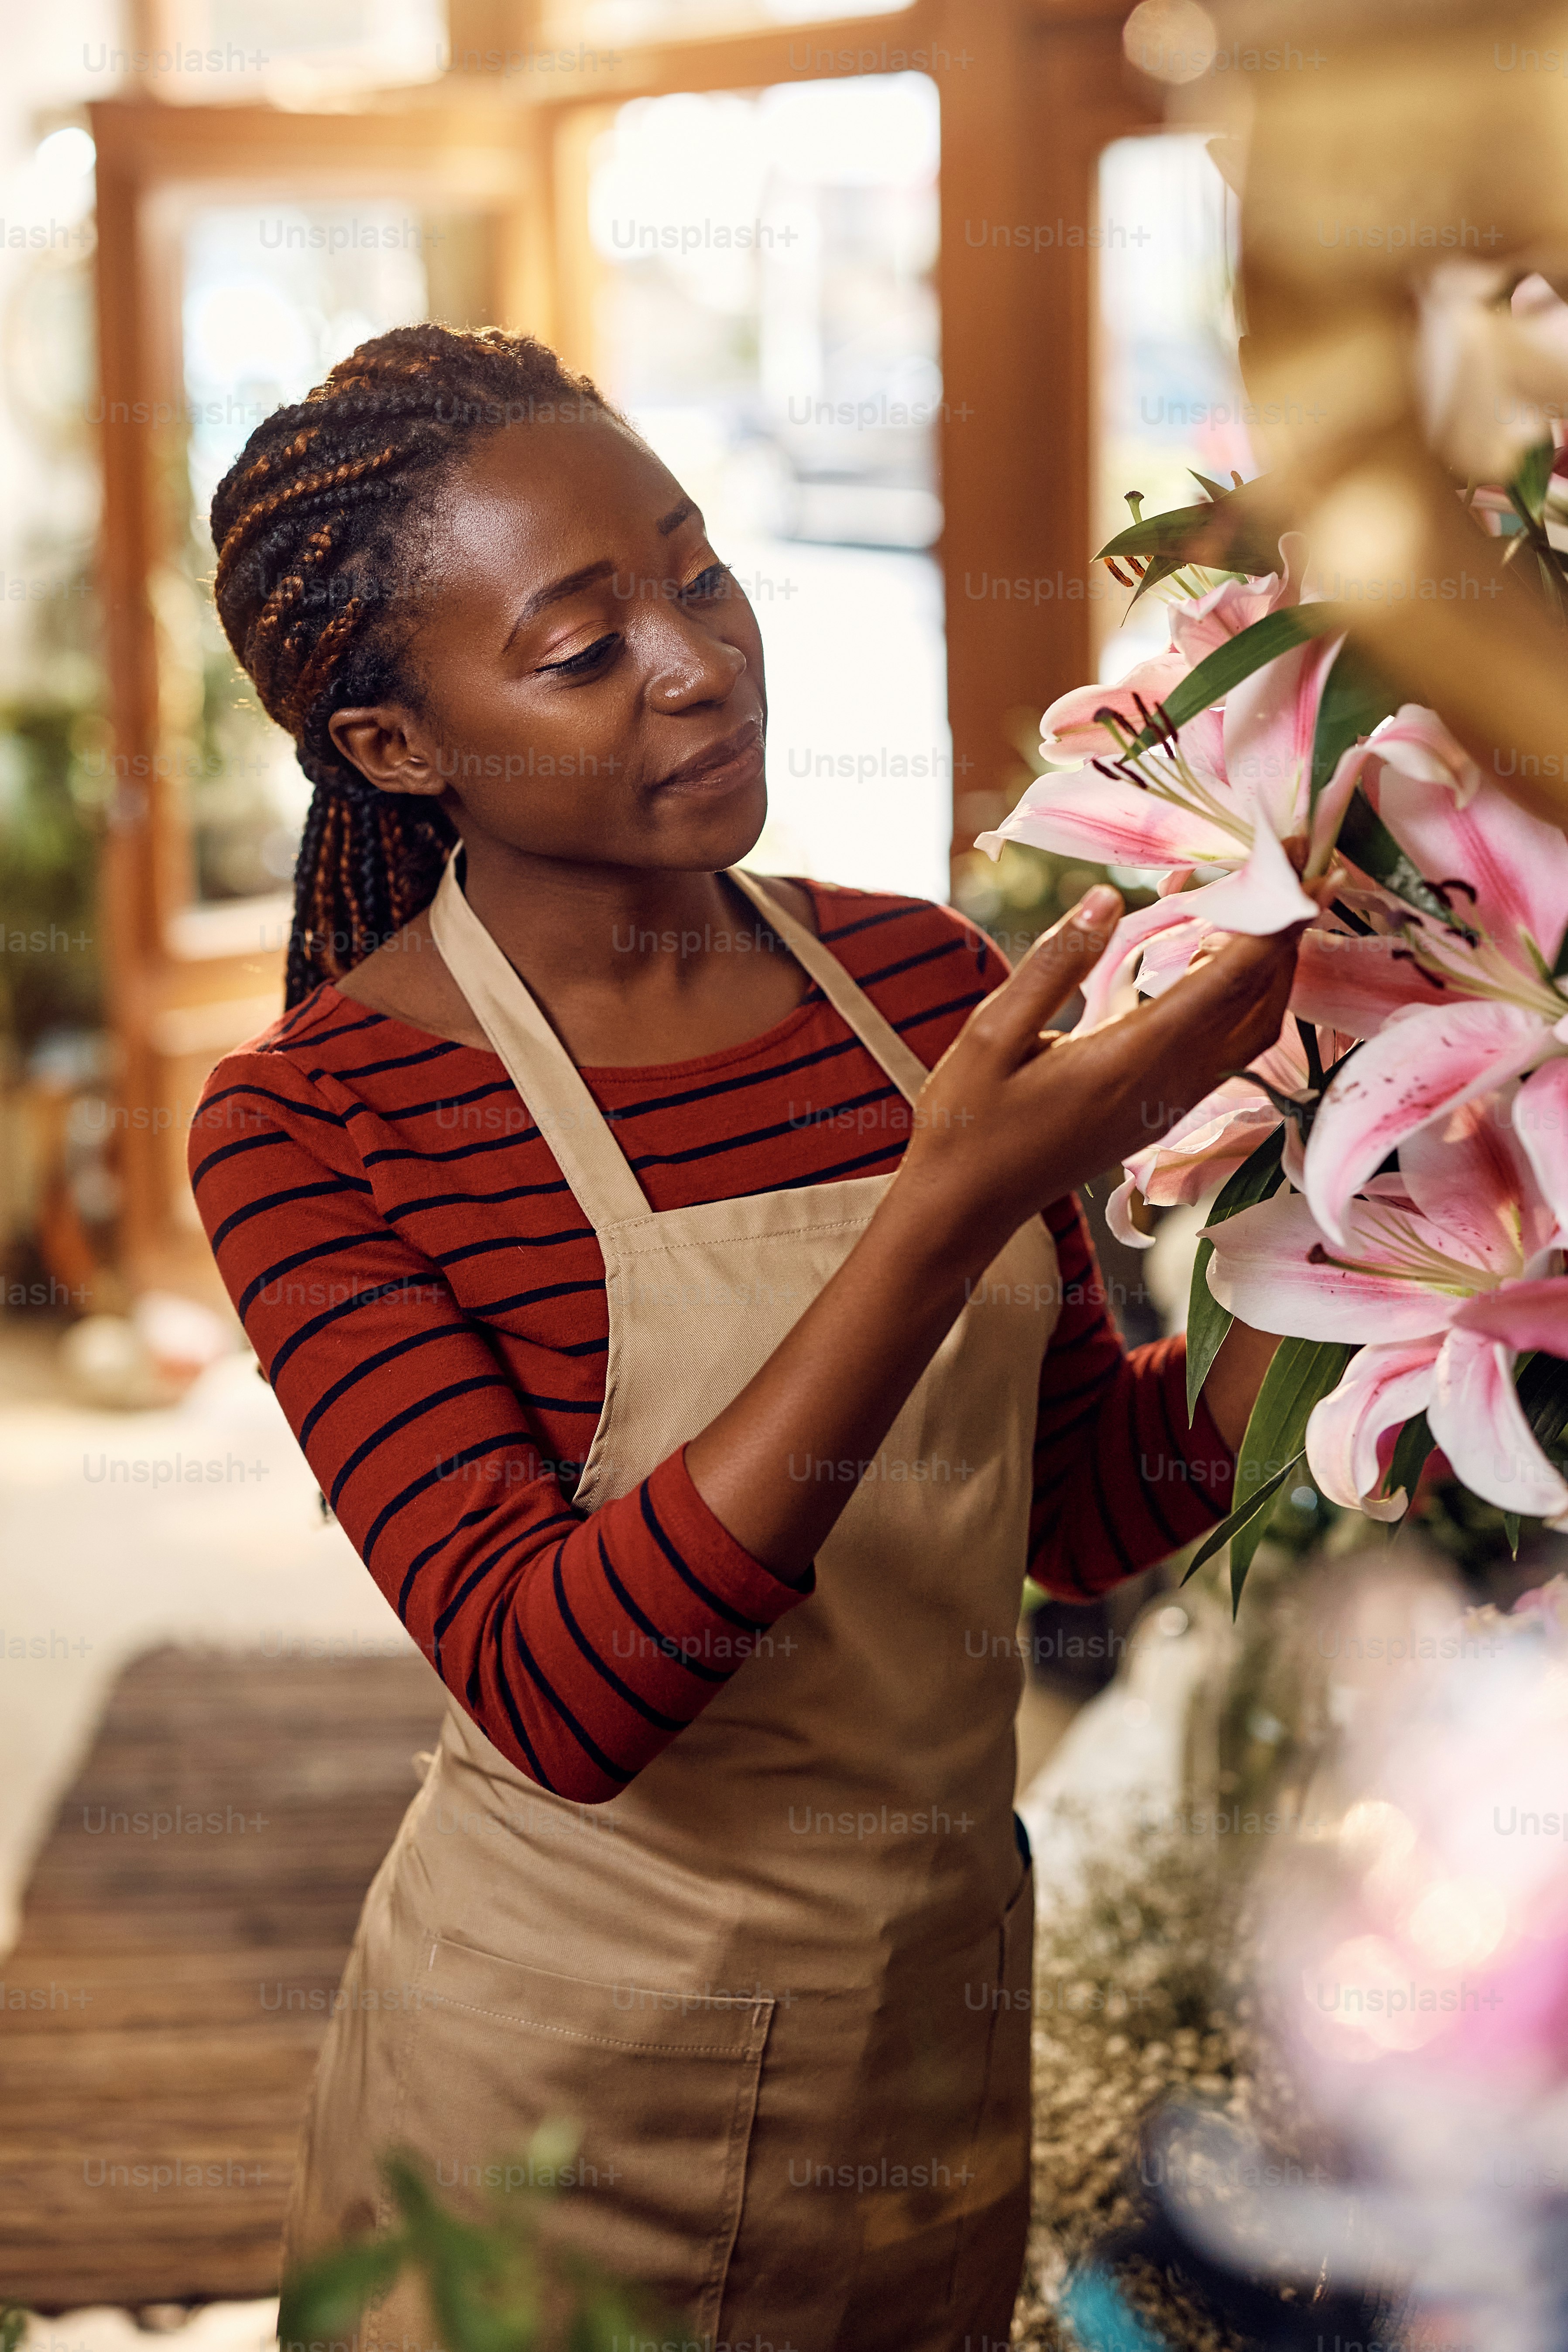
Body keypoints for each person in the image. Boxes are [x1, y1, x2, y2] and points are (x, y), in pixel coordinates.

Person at [191, 325, 1294, 2352]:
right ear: (394, 748)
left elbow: (1084, 1502)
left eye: (698, 575)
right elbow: (560, 1688)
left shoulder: (912, 973)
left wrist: (1347, 1193)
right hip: (553, 2111)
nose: (695, 660)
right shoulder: (315, 1127)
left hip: (925, 2046)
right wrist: (935, 1206)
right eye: (578, 646)